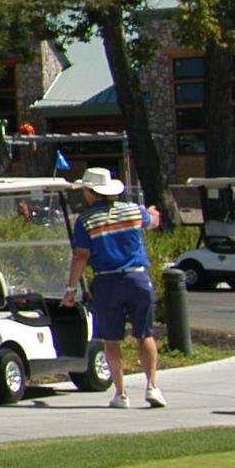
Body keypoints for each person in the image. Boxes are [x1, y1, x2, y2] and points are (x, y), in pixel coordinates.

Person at [67, 166, 163, 408]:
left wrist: (71, 290)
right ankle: (152, 387)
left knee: (112, 340)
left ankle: (121, 393)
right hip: (138, 278)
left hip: (107, 281)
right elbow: (154, 221)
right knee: (145, 334)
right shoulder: (133, 210)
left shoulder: (86, 220)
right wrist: (151, 213)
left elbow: (81, 256)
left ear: (90, 191)